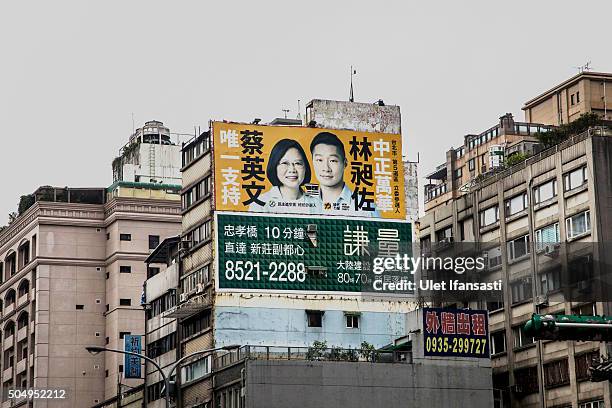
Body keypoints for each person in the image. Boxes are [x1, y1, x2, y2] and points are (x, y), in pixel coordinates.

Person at [309, 131, 379, 217]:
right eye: (319, 160)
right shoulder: (305, 202)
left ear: (345, 163)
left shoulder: (365, 207)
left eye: (333, 161)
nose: (326, 169)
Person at [248, 139, 318, 213]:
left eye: (297, 163)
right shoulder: (260, 203)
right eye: (285, 163)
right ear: (274, 166)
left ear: (305, 167)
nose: (292, 170)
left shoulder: (317, 203)